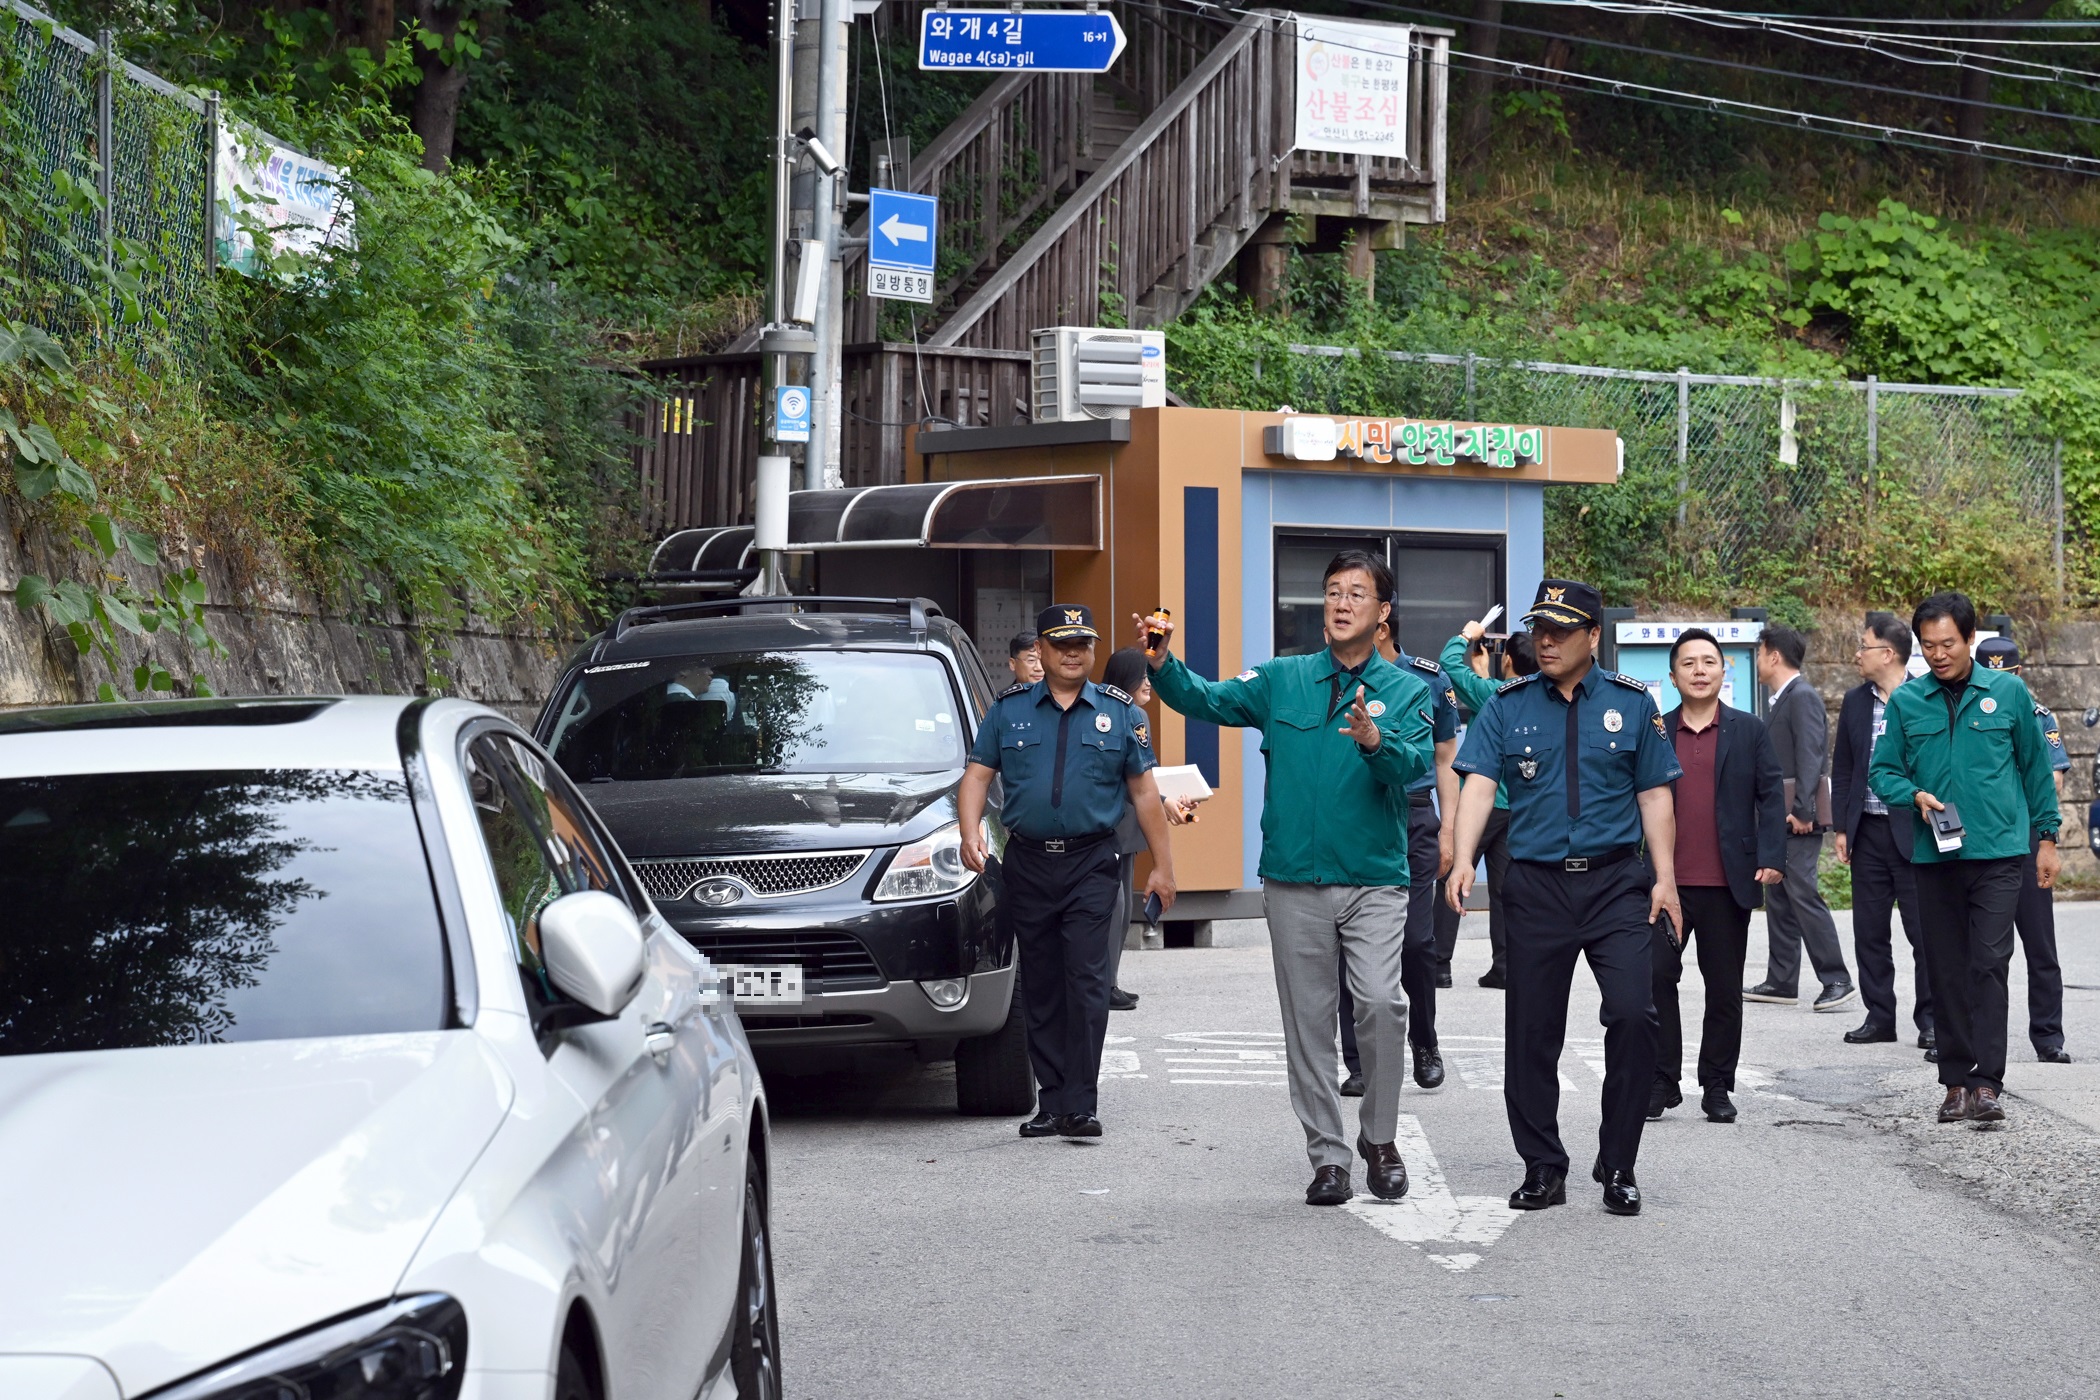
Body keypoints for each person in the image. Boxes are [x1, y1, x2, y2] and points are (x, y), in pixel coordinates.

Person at [1140, 550, 1435, 1206]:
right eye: (1332, 591)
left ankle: (1379, 1138)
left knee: (1383, 1004)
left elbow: (1410, 765)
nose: (1340, 603)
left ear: (1382, 613)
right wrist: (1162, 664)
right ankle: (1328, 1157)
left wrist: (1372, 740)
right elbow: (1206, 699)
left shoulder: (1410, 690)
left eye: (1357, 594)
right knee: (1307, 1022)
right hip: (1293, 882)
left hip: (1375, 880)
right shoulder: (1282, 678)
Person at [1447, 578, 1681, 1217]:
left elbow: (1655, 794)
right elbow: (1478, 785)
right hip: (1536, 884)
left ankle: (1620, 1161)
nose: (1544, 641)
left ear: (1593, 637)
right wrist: (1464, 857)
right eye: (1538, 630)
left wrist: (1665, 877)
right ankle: (1543, 1165)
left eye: (1561, 631)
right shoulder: (1506, 704)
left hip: (1614, 883)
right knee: (1531, 1030)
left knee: (1635, 1014)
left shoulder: (1634, 705)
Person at [958, 605, 1176, 1140]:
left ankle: (1081, 1102)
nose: (1074, 652)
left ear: (1093, 650)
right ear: (1043, 652)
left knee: (1086, 980)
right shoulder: (1008, 710)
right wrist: (970, 832)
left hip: (1091, 863)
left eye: (1083, 643)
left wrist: (1163, 868)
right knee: (1042, 984)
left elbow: (1145, 792)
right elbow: (977, 774)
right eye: (1062, 644)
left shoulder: (1122, 712)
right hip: (1028, 862)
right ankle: (1051, 1103)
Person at [1869, 592, 2061, 1125]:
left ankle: (1988, 1083)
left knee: (1989, 964)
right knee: (1946, 969)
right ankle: (1954, 1082)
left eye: (1947, 643)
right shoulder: (1909, 702)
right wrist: (1913, 796)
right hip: (1935, 856)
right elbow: (1882, 772)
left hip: (2001, 854)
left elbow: (2035, 771)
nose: (1938, 654)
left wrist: (2047, 839)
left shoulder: (2009, 692)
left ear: (1969, 640)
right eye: (1928, 646)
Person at [1651, 628, 1787, 1125]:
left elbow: (1771, 795)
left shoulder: (1748, 729)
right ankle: (1664, 1079)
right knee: (1655, 977)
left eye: (1709, 662)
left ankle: (1716, 1084)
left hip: (1728, 880)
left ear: (1724, 671)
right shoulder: (1656, 730)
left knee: (1724, 988)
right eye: (1689, 663)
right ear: (1672, 676)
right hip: (1667, 883)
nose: (1700, 670)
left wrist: (1772, 854)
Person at [1337, 612, 1461, 1096]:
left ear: (1381, 627)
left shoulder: (1429, 680)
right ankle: (1361, 1061)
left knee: (1414, 941)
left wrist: (1448, 828)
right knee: (1349, 943)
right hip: (1354, 816)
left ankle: (1424, 1041)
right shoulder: (1332, 680)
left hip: (1412, 817)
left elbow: (1447, 756)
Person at [1831, 612, 1935, 1054]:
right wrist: (1841, 825)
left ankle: (1931, 1020)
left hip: (1915, 830)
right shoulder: (1856, 701)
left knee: (1925, 931)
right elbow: (1844, 765)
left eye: (1864, 646)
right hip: (1868, 831)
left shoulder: (1927, 696)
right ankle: (1879, 1016)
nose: (1857, 654)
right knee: (1869, 930)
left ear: (1888, 653)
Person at [1743, 626, 1857, 1013]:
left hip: (1798, 815)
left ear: (1773, 656)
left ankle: (1837, 978)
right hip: (1782, 814)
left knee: (1802, 893)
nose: (1757, 661)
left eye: (1759, 653)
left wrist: (1804, 810)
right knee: (1779, 895)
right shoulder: (1784, 698)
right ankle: (1781, 979)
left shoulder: (1801, 697)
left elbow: (1812, 755)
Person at [1975, 637, 2074, 1065]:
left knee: (2039, 945)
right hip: (1979, 836)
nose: (1999, 683)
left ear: (2019, 675)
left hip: (2028, 834)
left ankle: (2049, 1038)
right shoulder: (1962, 711)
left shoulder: (2038, 715)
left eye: (2007, 676)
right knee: (1970, 947)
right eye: (1990, 675)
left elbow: (2054, 780)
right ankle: (1956, 1036)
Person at [1100, 646, 1201, 1013]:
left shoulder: (1104, 708)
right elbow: (1138, 781)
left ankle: (1108, 981)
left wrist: (1167, 801)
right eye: (1142, 675)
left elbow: (1146, 777)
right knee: (1116, 905)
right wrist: (1164, 803)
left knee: (1120, 903)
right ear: (1124, 678)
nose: (1148, 682)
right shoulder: (1132, 713)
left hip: (1119, 824)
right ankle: (1105, 984)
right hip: (1119, 823)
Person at [1439, 622, 1539, 989]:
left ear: (1508, 660)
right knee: (1503, 890)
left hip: (1481, 807)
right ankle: (1504, 967)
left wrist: (1465, 636)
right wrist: (1484, 671)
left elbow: (1449, 663)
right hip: (1516, 808)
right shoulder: (1536, 696)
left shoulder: (1492, 693)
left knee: (1453, 877)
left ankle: (1439, 965)